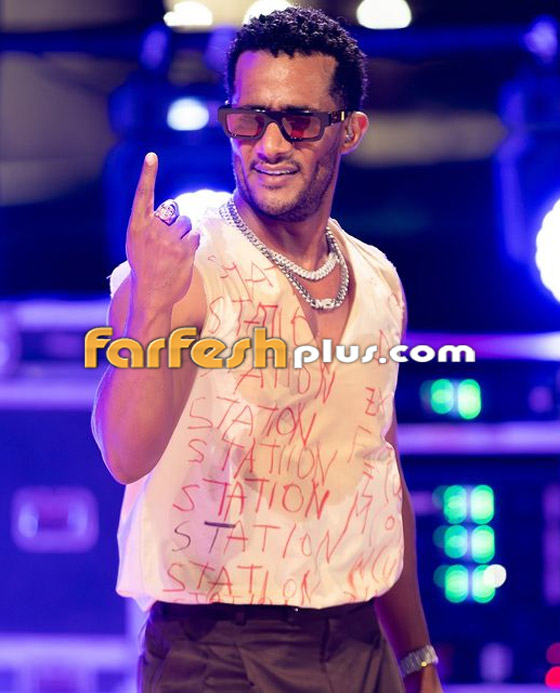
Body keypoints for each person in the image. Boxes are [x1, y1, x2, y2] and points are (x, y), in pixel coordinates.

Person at [92, 7, 444, 692]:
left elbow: (380, 475)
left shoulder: (378, 278)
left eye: (299, 121)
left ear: (350, 131)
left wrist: (416, 656)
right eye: (249, 119)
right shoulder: (185, 257)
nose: (270, 144)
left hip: (361, 646)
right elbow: (125, 454)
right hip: (221, 653)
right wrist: (151, 306)